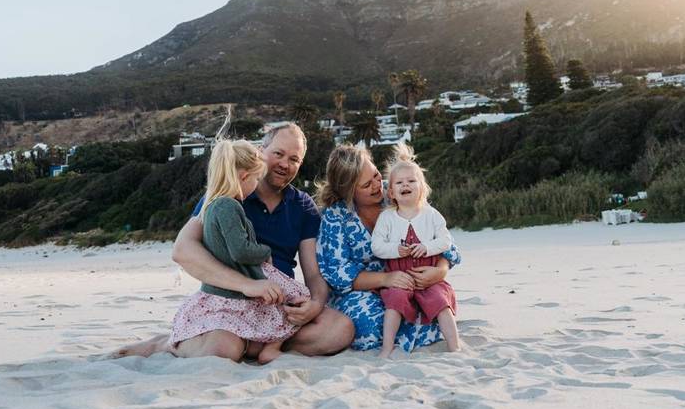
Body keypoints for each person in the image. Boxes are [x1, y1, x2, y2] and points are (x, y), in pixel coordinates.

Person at [114, 123, 354, 361]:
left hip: (277, 304)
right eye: (278, 154)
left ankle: (255, 343)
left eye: (294, 159)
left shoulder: (302, 205)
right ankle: (168, 343)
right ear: (261, 150)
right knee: (223, 350)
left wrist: (315, 304)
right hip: (232, 301)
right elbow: (182, 250)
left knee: (340, 329)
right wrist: (246, 285)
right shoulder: (227, 194)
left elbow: (313, 272)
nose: (285, 164)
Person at [167, 137, 310, 363]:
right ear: (244, 177)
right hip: (244, 282)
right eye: (256, 178)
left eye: (294, 159)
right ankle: (269, 347)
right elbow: (240, 250)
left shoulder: (218, 203)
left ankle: (261, 345)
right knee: (295, 297)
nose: (257, 184)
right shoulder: (227, 205)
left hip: (248, 285)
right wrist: (265, 252)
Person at [315, 144, 461, 354]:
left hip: (415, 283)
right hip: (364, 290)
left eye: (376, 175)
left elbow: (445, 241)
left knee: (437, 305)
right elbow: (337, 273)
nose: (377, 185)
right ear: (348, 191)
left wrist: (440, 271)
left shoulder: (397, 189)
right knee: (371, 325)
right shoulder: (335, 217)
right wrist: (386, 279)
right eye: (367, 185)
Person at [370, 144, 459, 358]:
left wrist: (427, 247)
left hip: (429, 277)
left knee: (441, 302)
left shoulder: (431, 214)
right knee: (394, 302)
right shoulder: (387, 217)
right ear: (391, 192)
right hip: (400, 278)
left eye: (411, 181)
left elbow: (446, 241)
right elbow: (377, 246)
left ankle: (455, 345)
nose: (405, 185)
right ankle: (387, 347)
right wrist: (396, 250)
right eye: (399, 182)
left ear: (422, 188)